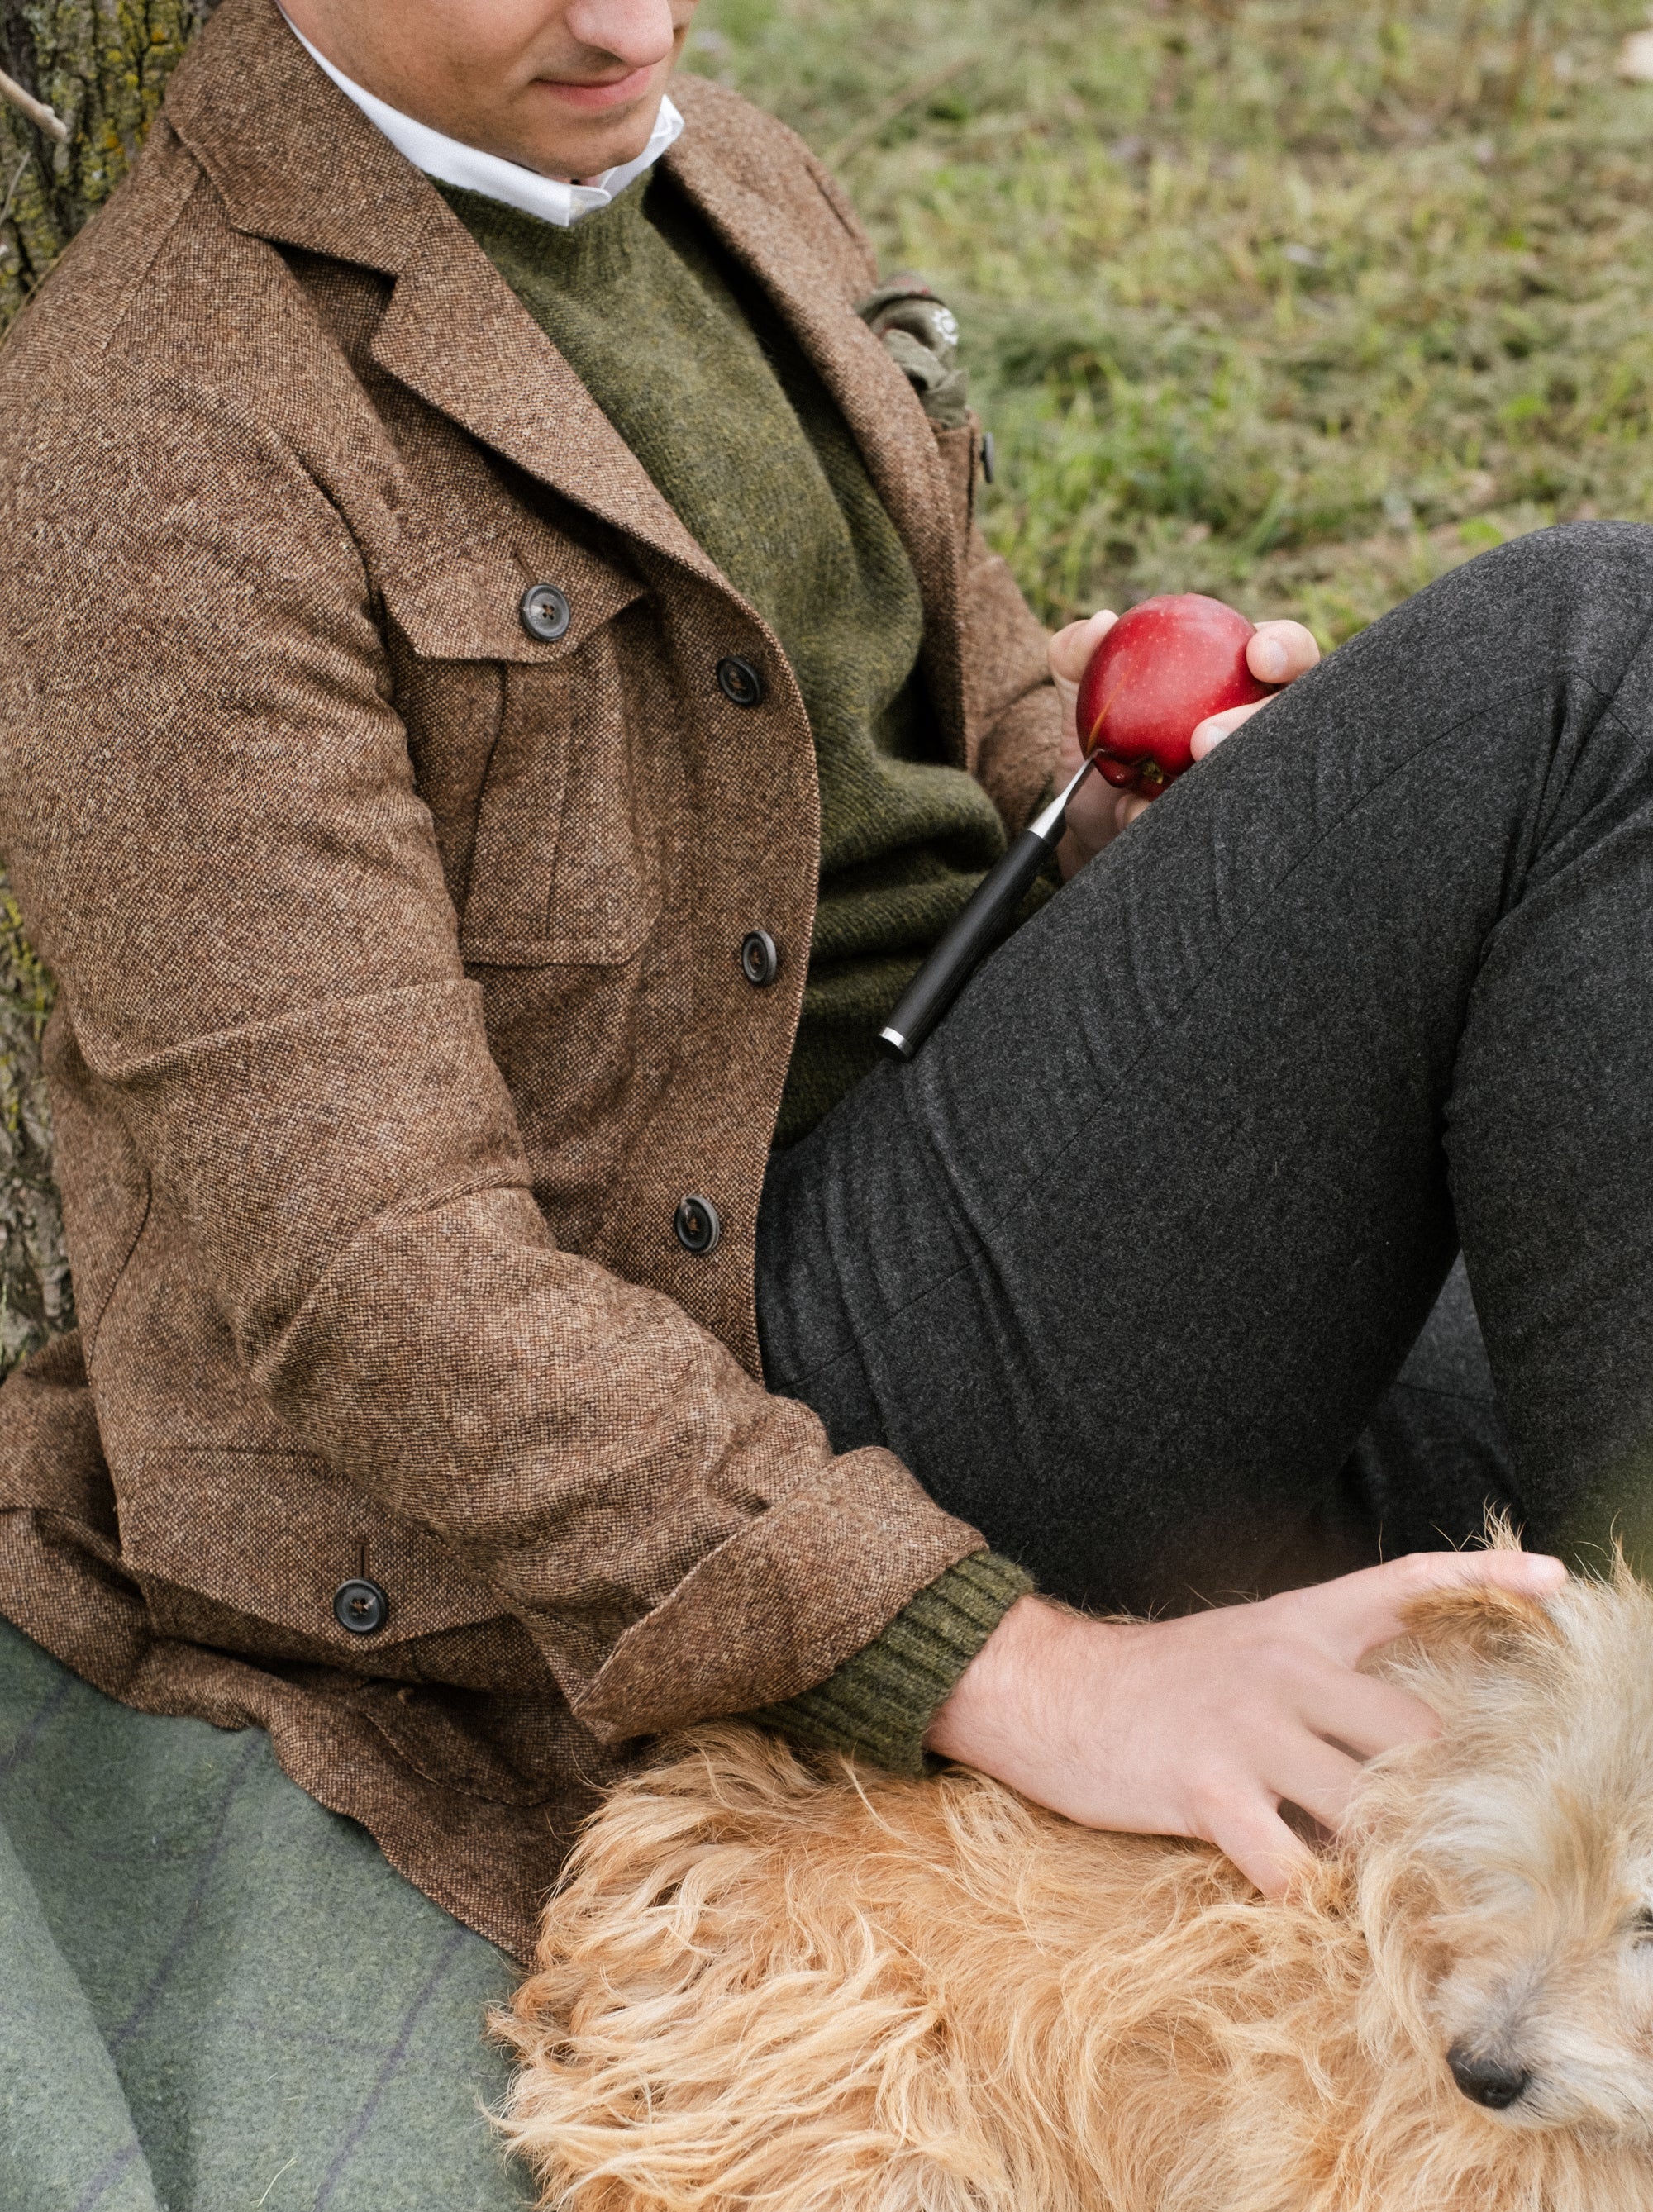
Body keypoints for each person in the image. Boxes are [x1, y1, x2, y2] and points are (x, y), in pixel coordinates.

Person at [2, 0, 1646, 1984]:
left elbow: (967, 754)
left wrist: (1191, 842)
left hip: (992, 1199)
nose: (623, 16)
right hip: (736, 1366)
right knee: (1584, 665)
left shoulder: (732, 174)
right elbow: (374, 1274)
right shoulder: (141, 450)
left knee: (1578, 1012)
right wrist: (1017, 1672)